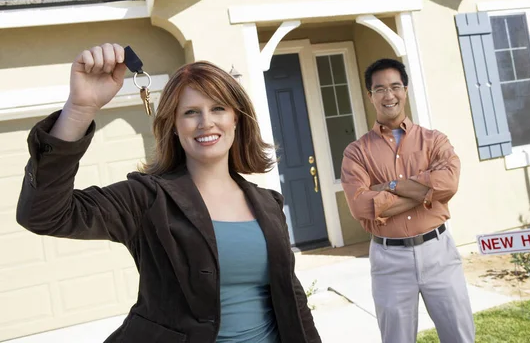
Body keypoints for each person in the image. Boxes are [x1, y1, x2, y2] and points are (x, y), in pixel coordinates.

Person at [16, 43, 321, 343]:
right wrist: (79, 110)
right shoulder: (147, 199)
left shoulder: (268, 203)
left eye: (218, 108)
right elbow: (44, 214)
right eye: (190, 112)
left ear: (235, 119)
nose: (206, 122)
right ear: (174, 125)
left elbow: (291, 297)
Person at [340, 58, 474, 343]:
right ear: (370, 96)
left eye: (395, 86)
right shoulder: (356, 153)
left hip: (439, 252)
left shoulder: (434, 140)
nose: (389, 95)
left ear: (406, 89)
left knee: (460, 336)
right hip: (389, 260)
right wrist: (427, 193)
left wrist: (388, 186)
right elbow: (361, 206)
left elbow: (448, 183)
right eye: (380, 89)